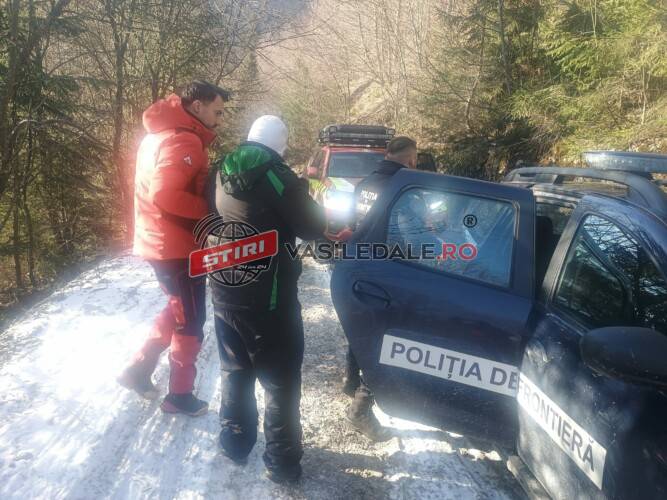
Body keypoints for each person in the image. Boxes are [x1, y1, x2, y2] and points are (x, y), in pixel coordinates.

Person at [210, 115, 326, 483]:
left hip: (224, 285)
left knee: (235, 369)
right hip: (269, 296)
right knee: (280, 381)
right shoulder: (278, 175)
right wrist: (304, 192)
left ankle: (234, 442)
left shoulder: (220, 168)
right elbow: (313, 227)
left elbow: (213, 215)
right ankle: (282, 462)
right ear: (281, 143)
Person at [118, 81, 230, 417]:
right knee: (191, 321)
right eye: (217, 111)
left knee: (178, 308)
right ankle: (179, 396)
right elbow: (164, 195)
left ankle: (138, 370)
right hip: (176, 248)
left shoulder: (158, 135)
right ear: (197, 106)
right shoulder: (184, 139)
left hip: (158, 241)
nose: (219, 120)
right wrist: (209, 213)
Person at [343, 136, 418, 442]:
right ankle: (360, 408)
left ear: (387, 154)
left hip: (360, 265)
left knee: (360, 328)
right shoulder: (405, 187)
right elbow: (412, 233)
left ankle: (351, 380)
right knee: (384, 340)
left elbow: (352, 224)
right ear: (411, 158)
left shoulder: (364, 184)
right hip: (388, 271)